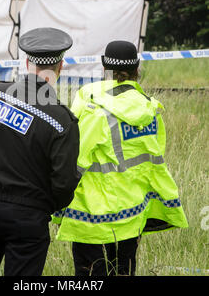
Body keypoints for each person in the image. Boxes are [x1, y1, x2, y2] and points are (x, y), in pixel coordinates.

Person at [53, 40, 188, 276]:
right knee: (124, 269)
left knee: (92, 274)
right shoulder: (152, 111)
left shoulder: (94, 109)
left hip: (93, 217)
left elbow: (74, 160)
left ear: (105, 68)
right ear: (137, 70)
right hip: (132, 213)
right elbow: (155, 158)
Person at [0, 27, 81, 276]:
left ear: (27, 62)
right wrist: (40, 204)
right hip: (30, 217)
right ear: (60, 67)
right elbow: (64, 183)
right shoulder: (61, 121)